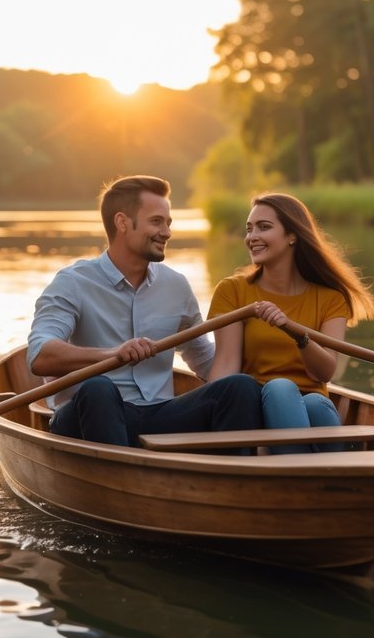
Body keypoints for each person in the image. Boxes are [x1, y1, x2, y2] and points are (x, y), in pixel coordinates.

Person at [27, 175, 262, 448]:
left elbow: (206, 361)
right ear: (122, 222)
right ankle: (117, 484)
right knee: (99, 388)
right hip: (89, 415)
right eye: (156, 221)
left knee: (239, 386)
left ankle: (230, 484)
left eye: (168, 223)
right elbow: (39, 355)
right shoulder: (72, 282)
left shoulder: (176, 285)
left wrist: (266, 374)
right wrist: (113, 354)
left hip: (159, 414)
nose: (167, 232)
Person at [207, 193, 374, 454]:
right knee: (280, 388)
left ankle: (314, 474)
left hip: (315, 406)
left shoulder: (330, 298)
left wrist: (296, 333)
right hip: (257, 407)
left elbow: (325, 373)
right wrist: (212, 412)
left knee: (316, 406)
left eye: (264, 227)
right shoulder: (233, 291)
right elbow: (226, 365)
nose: (252, 237)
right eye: (249, 229)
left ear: (292, 236)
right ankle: (311, 477)